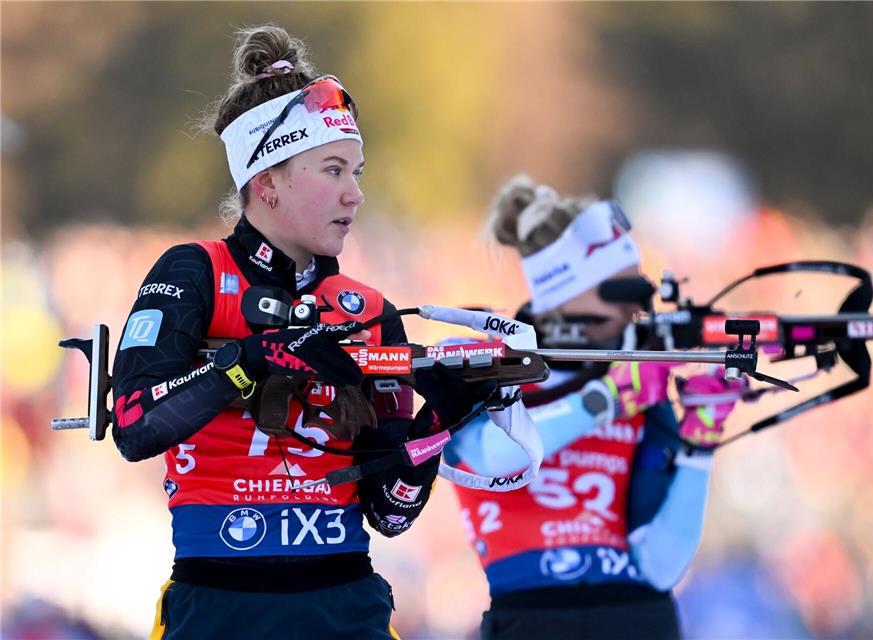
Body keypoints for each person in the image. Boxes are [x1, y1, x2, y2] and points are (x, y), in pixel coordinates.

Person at [111, 25, 489, 639]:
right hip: (220, 607)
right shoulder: (195, 272)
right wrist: (253, 360)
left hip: (344, 607)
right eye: (334, 170)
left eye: (357, 171)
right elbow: (133, 425)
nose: (355, 193)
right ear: (267, 182)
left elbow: (389, 511)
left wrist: (441, 419)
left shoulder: (366, 309)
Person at [443, 175, 744, 639]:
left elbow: (662, 567)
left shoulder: (643, 380)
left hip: (638, 617)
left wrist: (700, 444)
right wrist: (605, 401)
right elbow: (490, 457)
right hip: (532, 617)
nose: (634, 313)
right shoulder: (485, 357)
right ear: (563, 291)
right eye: (617, 295)